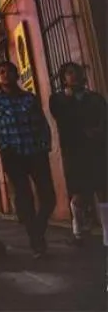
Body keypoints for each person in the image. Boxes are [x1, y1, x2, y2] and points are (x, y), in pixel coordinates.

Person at [0, 60, 56, 256]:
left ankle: (37, 230)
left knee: (49, 196)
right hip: (13, 154)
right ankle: (36, 241)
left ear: (16, 75)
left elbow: (42, 123)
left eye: (9, 71)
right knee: (25, 198)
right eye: (1, 71)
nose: (5, 74)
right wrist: (4, 146)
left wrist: (45, 143)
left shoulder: (29, 99)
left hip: (35, 151)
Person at [49, 61, 107, 247]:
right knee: (79, 193)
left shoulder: (95, 98)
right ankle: (78, 228)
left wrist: (99, 131)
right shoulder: (58, 99)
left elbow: (104, 117)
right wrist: (70, 99)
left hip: (97, 149)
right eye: (68, 73)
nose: (72, 76)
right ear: (63, 78)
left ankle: (106, 232)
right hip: (74, 151)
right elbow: (63, 120)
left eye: (75, 72)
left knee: (103, 189)